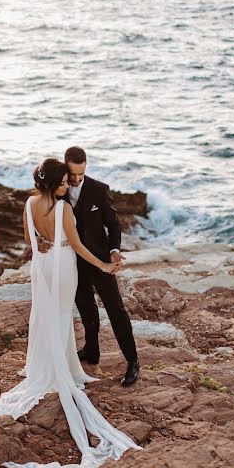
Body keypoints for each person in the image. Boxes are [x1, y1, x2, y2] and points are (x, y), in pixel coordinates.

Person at [0, 158, 140, 468]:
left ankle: (56, 366)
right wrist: (105, 266)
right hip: (65, 267)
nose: (69, 186)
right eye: (64, 182)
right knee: (63, 316)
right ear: (54, 184)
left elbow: (30, 242)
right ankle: (61, 371)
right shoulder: (64, 209)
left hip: (44, 269)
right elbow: (78, 247)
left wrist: (46, 243)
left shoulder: (28, 204)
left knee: (49, 316)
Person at [64, 146, 140, 386]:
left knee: (115, 309)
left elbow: (114, 225)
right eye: (72, 174)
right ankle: (91, 350)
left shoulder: (99, 189)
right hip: (72, 260)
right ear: (66, 167)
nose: (76, 180)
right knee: (86, 309)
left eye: (81, 174)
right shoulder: (59, 189)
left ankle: (133, 361)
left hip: (101, 260)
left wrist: (114, 250)